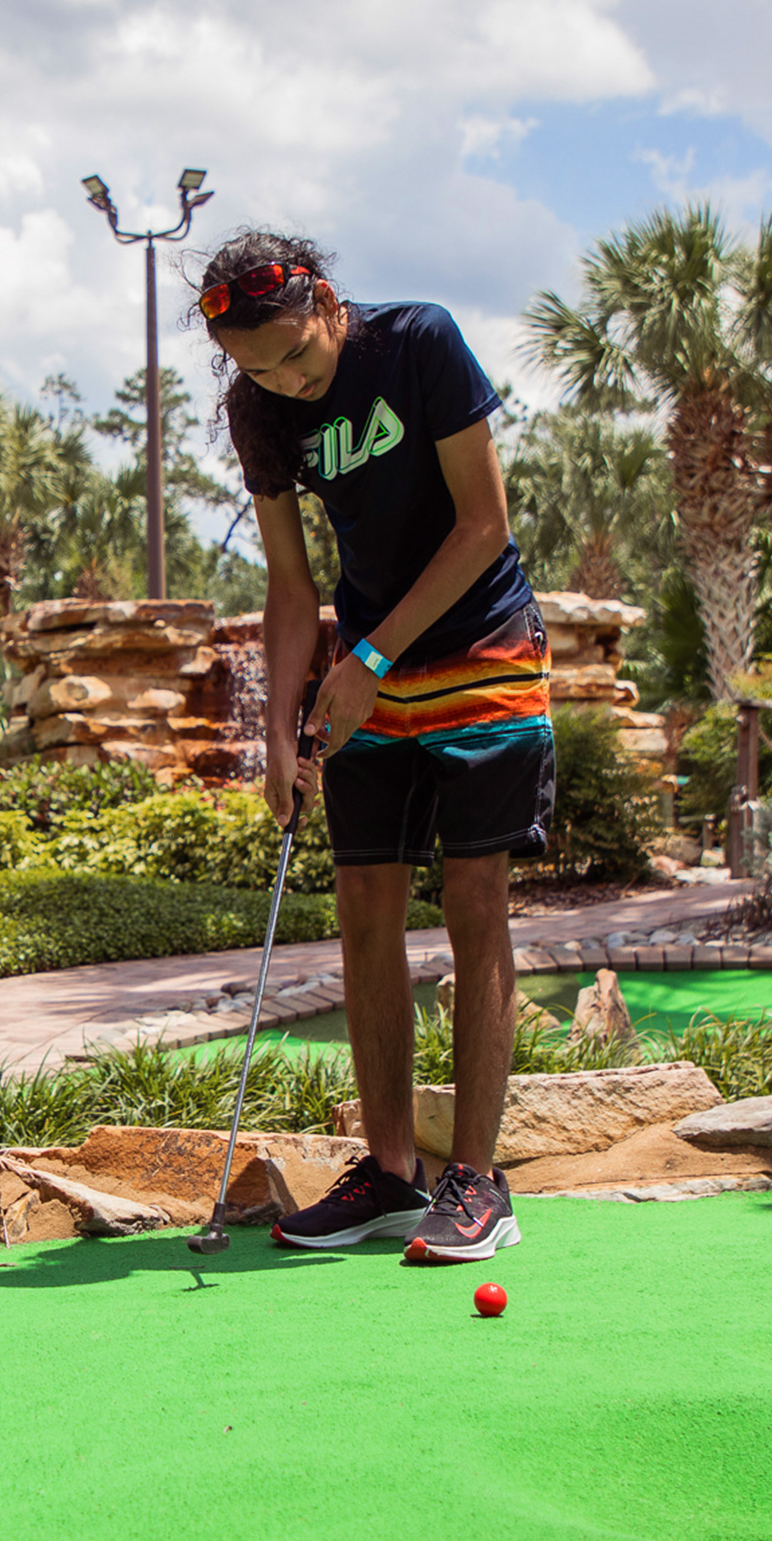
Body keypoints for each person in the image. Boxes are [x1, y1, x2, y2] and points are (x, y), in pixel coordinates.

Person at [200, 230, 552, 1265]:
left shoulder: (418, 343)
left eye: (295, 356)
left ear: (326, 302)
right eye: (259, 370)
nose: (287, 383)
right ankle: (393, 1175)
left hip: (480, 646)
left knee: (475, 900)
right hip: (368, 671)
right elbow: (289, 584)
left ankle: (478, 1181)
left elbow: (484, 526)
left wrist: (372, 659)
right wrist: (277, 735)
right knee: (363, 911)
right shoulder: (261, 410)